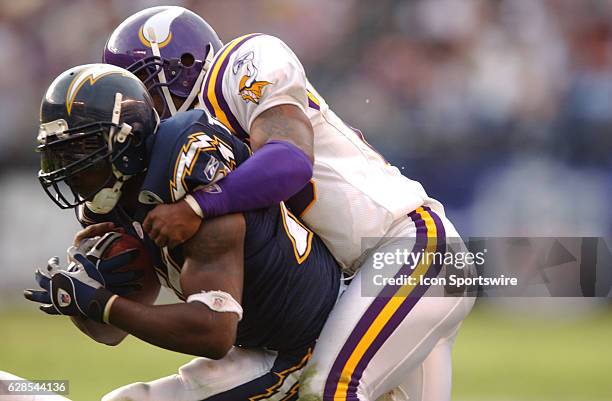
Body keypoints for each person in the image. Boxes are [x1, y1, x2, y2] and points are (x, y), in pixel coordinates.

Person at [102, 6, 475, 401]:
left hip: (409, 247)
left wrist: (197, 207)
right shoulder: (185, 149)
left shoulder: (240, 66)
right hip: (359, 281)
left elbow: (290, 160)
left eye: (142, 88)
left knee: (331, 389)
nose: (141, 110)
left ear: (181, 66)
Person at [26, 63, 342, 401]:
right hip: (262, 343)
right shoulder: (114, 202)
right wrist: (82, 296)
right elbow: (112, 332)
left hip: (310, 343)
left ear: (126, 141)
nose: (69, 170)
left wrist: (103, 304)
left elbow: (213, 332)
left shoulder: (190, 178)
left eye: (81, 151)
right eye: (59, 154)